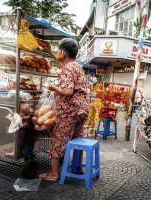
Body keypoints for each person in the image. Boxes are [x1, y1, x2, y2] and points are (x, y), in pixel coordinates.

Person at [39, 38, 89, 181]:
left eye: (57, 51)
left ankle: (54, 174)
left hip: (69, 111)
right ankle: (78, 167)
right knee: (77, 138)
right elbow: (61, 64)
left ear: (63, 52)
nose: (57, 53)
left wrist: (52, 87)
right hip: (81, 110)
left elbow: (67, 91)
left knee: (58, 140)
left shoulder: (68, 68)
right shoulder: (76, 66)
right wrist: (49, 52)